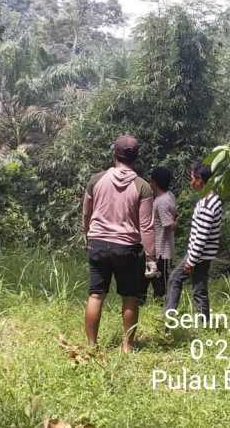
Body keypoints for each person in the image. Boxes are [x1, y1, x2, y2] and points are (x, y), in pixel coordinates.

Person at [82, 135, 155, 353]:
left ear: (114, 153)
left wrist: (88, 235)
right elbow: (147, 227)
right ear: (136, 158)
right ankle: (127, 347)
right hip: (127, 249)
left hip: (99, 244)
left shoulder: (96, 180)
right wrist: (151, 258)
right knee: (130, 297)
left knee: (96, 295)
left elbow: (86, 213)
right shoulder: (143, 187)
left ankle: (92, 347)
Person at [164, 162, 222, 321]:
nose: (191, 183)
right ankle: (204, 324)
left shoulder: (207, 204)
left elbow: (202, 236)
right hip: (203, 255)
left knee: (175, 278)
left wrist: (191, 260)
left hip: (199, 254)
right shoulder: (212, 200)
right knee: (199, 288)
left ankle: (169, 319)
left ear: (200, 179)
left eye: (192, 179)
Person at [143, 166, 177, 300]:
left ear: (154, 182)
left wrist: (175, 222)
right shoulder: (169, 196)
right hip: (156, 248)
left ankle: (162, 304)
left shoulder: (161, 201)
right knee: (151, 276)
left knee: (160, 279)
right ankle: (148, 301)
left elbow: (169, 225)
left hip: (161, 249)